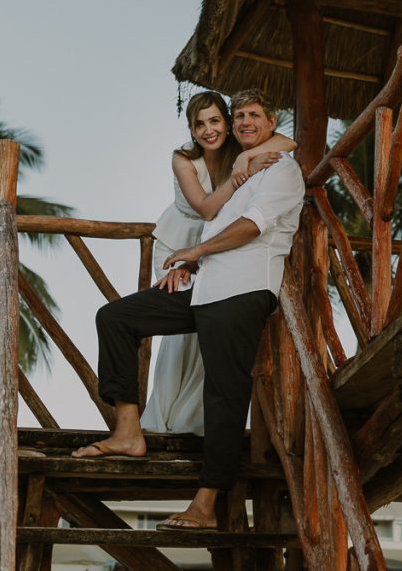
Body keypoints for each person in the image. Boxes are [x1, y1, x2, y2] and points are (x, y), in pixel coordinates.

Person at [71, 89, 305, 532]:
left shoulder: (283, 170)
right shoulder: (243, 170)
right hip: (204, 288)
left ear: (272, 122)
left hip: (242, 288)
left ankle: (206, 504)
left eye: (253, 115)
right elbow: (214, 216)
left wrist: (196, 249)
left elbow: (251, 227)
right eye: (238, 116)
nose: (243, 122)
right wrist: (191, 263)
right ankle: (128, 432)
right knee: (117, 317)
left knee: (223, 393)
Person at [140, 90, 295, 436]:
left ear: (226, 124)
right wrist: (240, 170)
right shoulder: (182, 159)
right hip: (178, 242)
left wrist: (247, 156)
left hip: (214, 245)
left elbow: (289, 143)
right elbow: (207, 209)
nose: (208, 131)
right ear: (192, 131)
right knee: (181, 328)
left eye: (215, 121)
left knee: (210, 328)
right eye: (200, 124)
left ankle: (194, 420)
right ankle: (163, 414)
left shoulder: (237, 151)